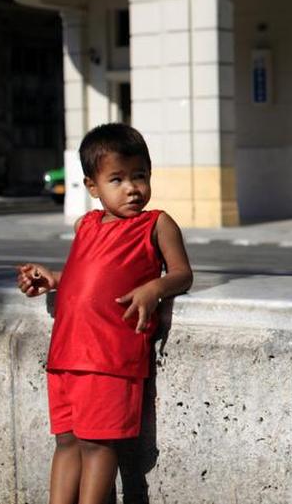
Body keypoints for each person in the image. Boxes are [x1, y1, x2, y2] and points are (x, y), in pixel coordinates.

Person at [15, 123, 193, 504]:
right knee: (66, 441)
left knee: (97, 445)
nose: (132, 188)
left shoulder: (156, 224)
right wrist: (52, 279)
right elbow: (83, 274)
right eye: (117, 179)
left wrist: (154, 288)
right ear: (92, 187)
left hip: (110, 357)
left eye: (140, 176)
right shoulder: (85, 226)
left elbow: (182, 274)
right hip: (66, 355)